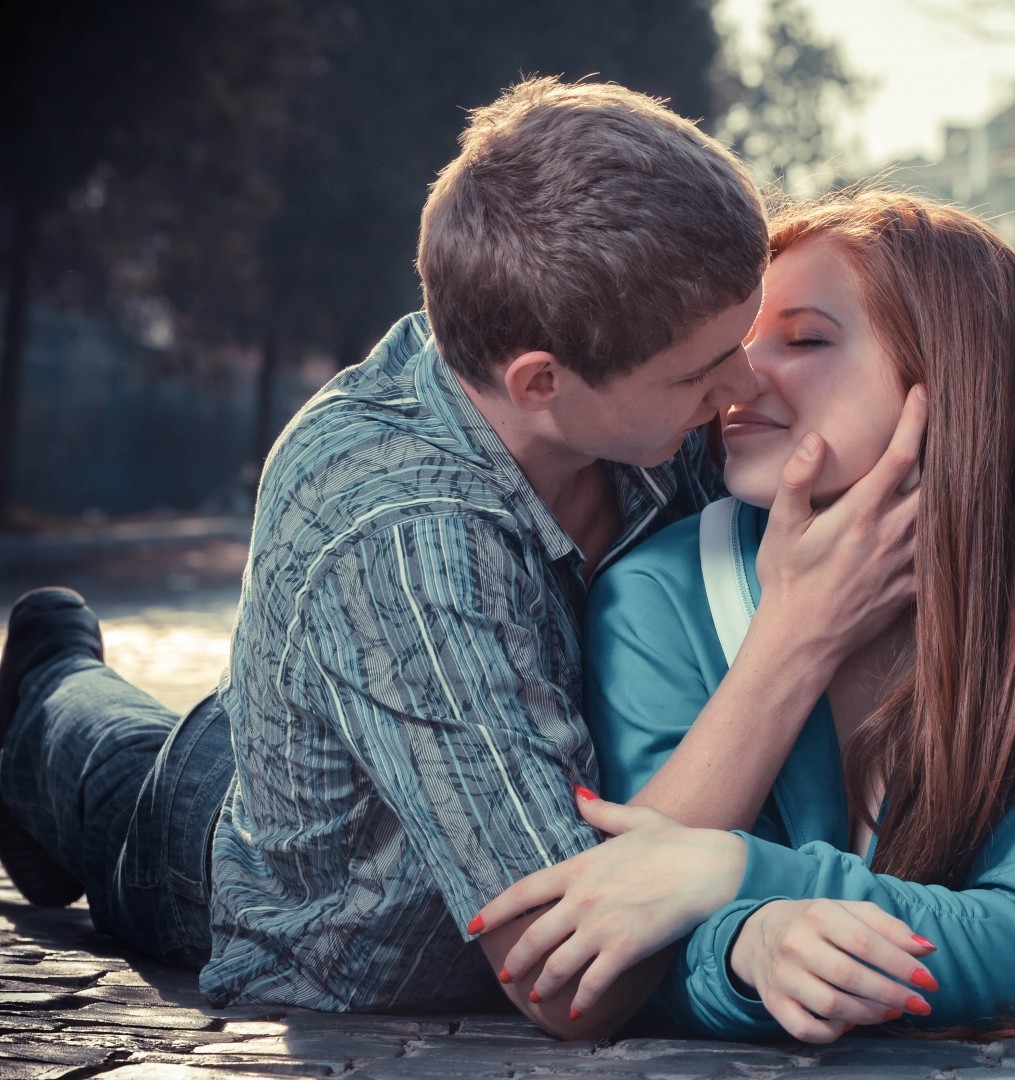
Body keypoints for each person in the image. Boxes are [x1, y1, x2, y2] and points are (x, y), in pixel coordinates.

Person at [0, 77, 921, 1040]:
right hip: (219, 850)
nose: (741, 385)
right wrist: (797, 641)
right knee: (80, 748)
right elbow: (562, 973)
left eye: (745, 337)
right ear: (541, 383)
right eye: (701, 372)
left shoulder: (628, 370)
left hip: (342, 713)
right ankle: (45, 677)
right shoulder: (403, 537)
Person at [471, 191, 1015, 1042]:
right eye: (745, 338)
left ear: (953, 373)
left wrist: (735, 871)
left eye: (807, 338)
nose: (744, 376)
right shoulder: (659, 592)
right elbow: (635, 927)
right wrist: (751, 944)